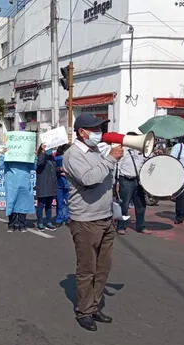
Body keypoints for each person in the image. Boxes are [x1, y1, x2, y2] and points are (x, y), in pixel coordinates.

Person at [63, 114, 124, 332]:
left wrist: (112, 159)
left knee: (103, 268)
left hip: (105, 217)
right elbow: (89, 179)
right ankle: (84, 311)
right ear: (82, 132)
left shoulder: (98, 151)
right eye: (95, 129)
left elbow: (106, 177)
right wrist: (110, 160)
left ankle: (94, 305)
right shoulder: (72, 155)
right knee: (87, 269)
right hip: (86, 220)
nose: (99, 132)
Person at [116, 132, 151, 235]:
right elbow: (118, 166)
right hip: (126, 180)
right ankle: (121, 226)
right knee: (124, 205)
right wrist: (117, 182)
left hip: (138, 181)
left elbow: (147, 163)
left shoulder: (141, 151)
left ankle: (141, 226)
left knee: (141, 205)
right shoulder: (123, 151)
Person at [0, 147, 35, 232]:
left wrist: (34, 156)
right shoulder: (8, 157)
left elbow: (34, 166)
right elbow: (0, 166)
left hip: (24, 183)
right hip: (11, 183)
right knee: (12, 203)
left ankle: (22, 224)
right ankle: (11, 224)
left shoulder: (26, 158)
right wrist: (2, 155)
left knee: (23, 203)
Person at [35, 144, 58, 231]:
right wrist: (43, 152)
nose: (50, 149)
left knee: (49, 205)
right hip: (42, 184)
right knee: (41, 205)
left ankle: (49, 222)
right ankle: (40, 222)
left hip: (51, 184)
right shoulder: (40, 157)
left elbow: (54, 169)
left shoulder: (52, 158)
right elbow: (40, 164)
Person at [54, 144, 70, 226]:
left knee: (68, 202)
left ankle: (67, 218)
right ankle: (59, 219)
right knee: (60, 202)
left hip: (69, 183)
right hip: (59, 183)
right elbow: (52, 169)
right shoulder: (57, 159)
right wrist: (59, 170)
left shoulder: (71, 159)